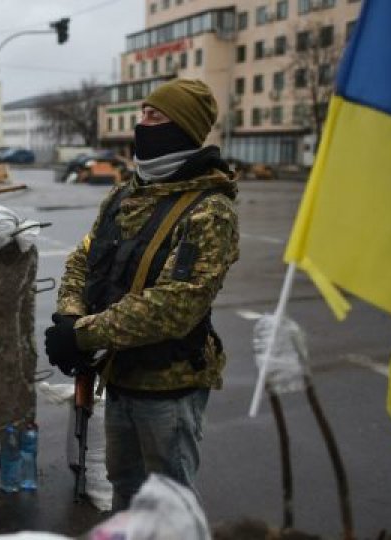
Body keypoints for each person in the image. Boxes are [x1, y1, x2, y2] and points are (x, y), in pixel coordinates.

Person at [44, 78, 239, 511]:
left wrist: (84, 335)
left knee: (169, 506)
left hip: (169, 388)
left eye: (155, 116)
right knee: (126, 492)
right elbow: (83, 260)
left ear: (183, 129)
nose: (141, 123)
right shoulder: (124, 195)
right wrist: (69, 317)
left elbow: (174, 306)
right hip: (121, 376)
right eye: (143, 113)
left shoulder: (209, 210)